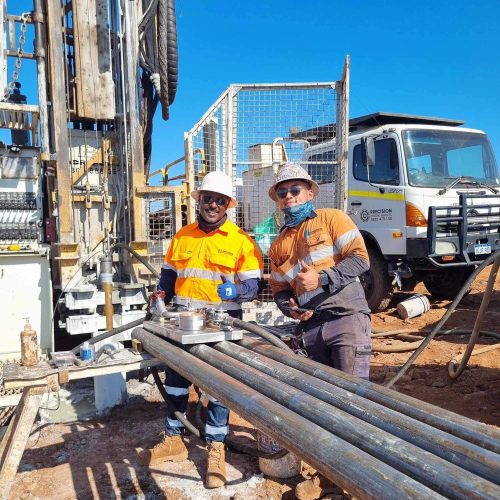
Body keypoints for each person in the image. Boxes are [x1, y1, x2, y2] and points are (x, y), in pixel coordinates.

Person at [138, 170, 263, 489]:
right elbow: (168, 275)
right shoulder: (183, 236)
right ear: (200, 201)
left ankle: (216, 448)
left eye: (219, 200)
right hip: (182, 319)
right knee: (177, 378)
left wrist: (236, 292)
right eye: (208, 198)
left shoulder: (241, 240)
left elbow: (253, 284)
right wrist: (160, 295)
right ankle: (173, 437)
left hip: (221, 324)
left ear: (227, 205)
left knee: (216, 386)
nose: (212, 204)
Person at [267, 163, 371, 500]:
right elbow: (280, 289)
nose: (289, 197)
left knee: (353, 404)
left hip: (346, 320)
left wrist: (322, 279)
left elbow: (360, 259)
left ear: (310, 192)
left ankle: (360, 483)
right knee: (324, 405)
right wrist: (289, 307)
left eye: (295, 190)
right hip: (311, 328)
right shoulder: (279, 244)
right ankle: (330, 481)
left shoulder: (331, 219)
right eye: (282, 192)